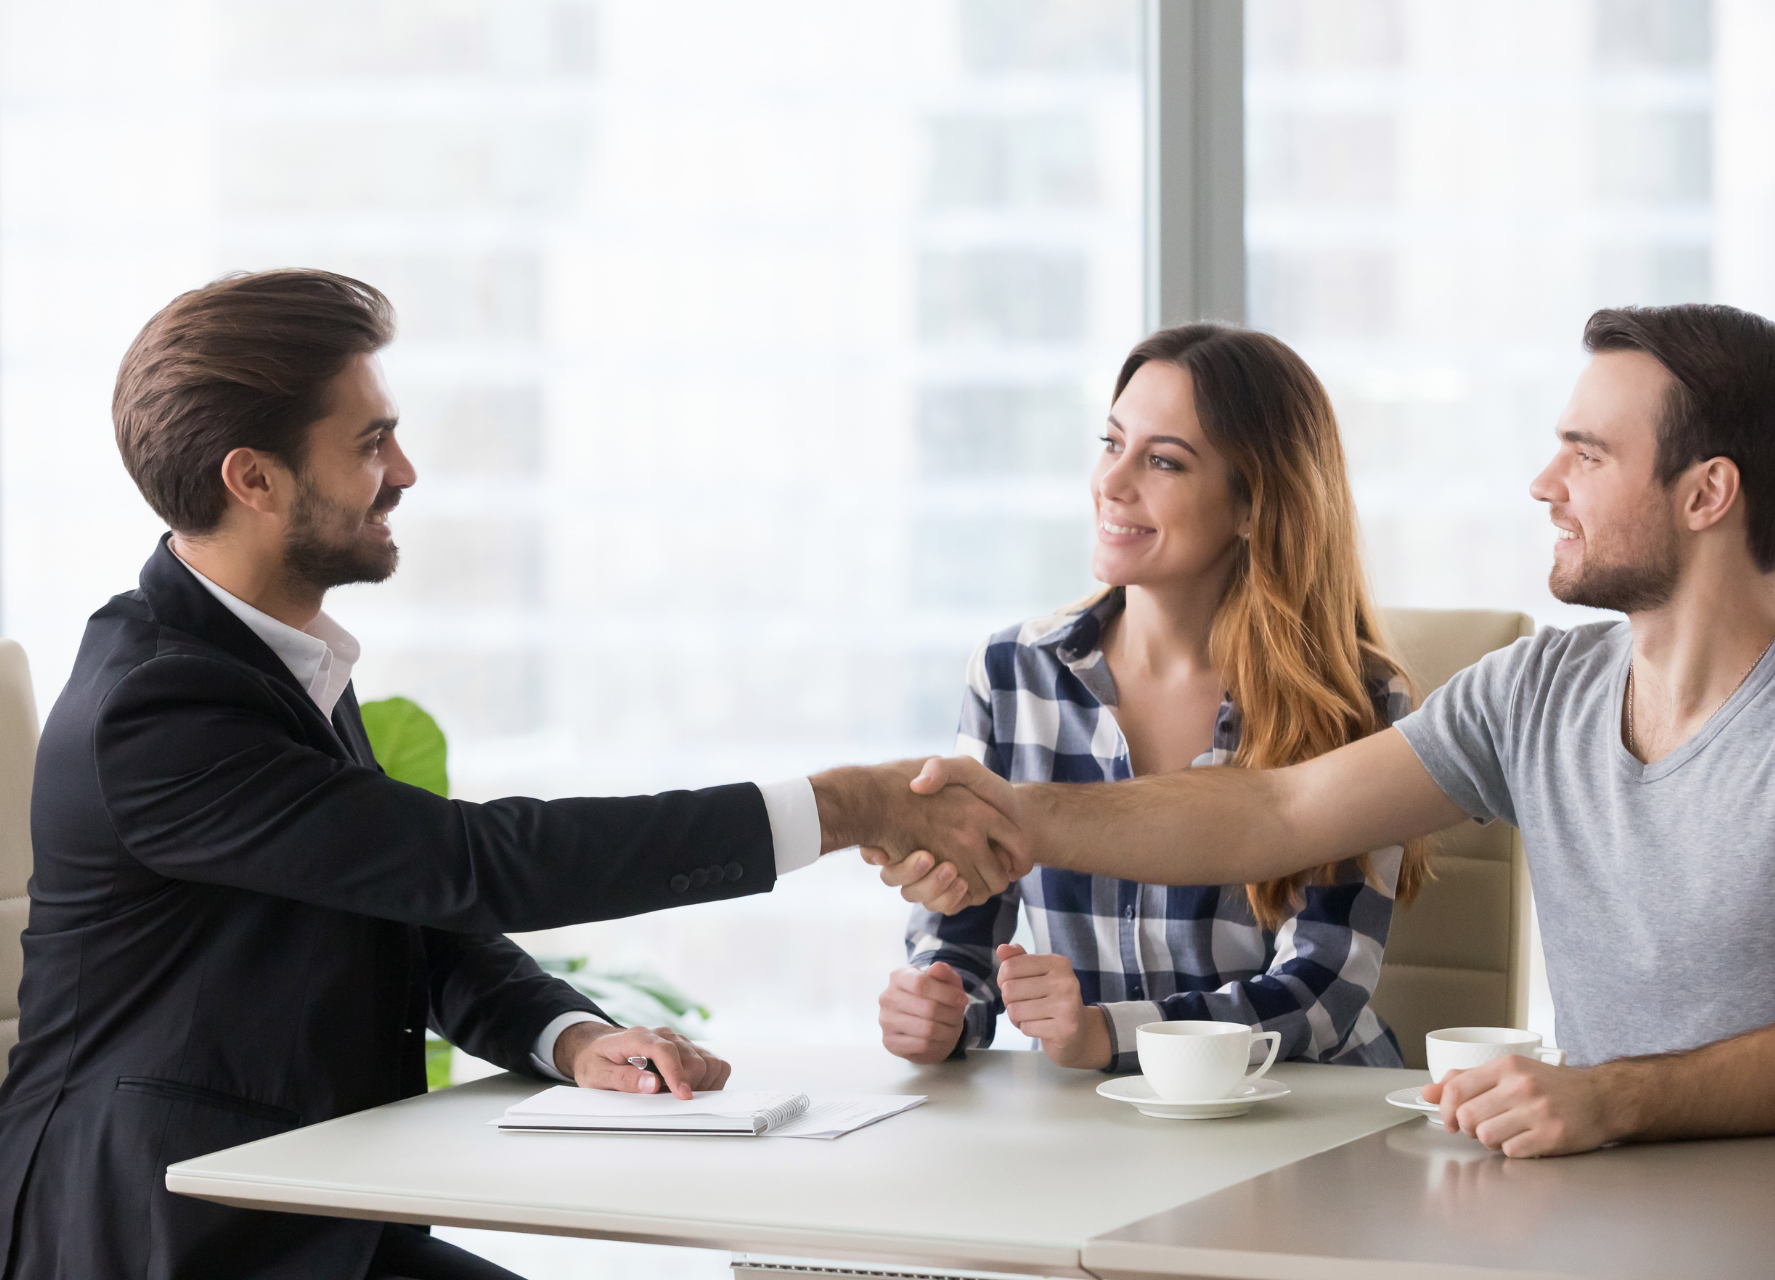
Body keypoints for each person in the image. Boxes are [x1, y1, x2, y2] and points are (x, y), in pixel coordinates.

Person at [0, 270, 1028, 1280]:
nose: (404, 469)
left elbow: (408, 907)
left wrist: (572, 1036)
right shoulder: (159, 707)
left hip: (310, 1215)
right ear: (252, 478)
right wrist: (844, 804)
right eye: (369, 441)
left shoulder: (271, 655)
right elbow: (474, 862)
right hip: (160, 1232)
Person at [890, 303, 1775, 1158]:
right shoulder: (1535, 691)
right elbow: (1281, 807)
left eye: (1587, 453)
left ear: (1707, 493)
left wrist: (1604, 1096)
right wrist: (1014, 814)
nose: (1544, 482)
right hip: (1596, 1188)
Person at [875, 325, 1422, 1075]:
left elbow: (1321, 991)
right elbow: (960, 930)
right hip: (1095, 1130)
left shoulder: (1355, 703)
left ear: (1254, 505)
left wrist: (1110, 1034)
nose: (1113, 481)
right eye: (1111, 442)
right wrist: (941, 1005)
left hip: (1303, 1118)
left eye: (1163, 460)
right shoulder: (1013, 675)